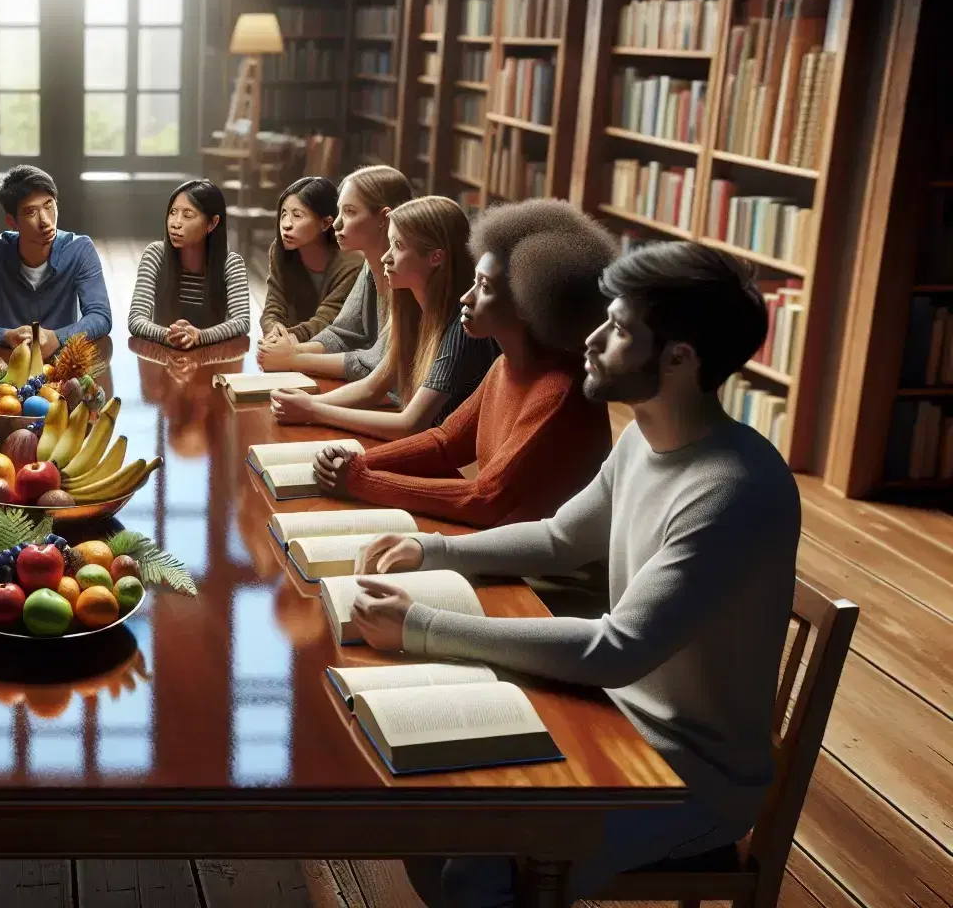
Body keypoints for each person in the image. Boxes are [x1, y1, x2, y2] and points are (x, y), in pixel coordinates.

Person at [345, 242, 799, 906]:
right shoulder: (647, 438)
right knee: (425, 803)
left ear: (679, 359)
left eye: (617, 329)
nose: (590, 339)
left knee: (474, 868)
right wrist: (435, 553)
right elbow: (561, 539)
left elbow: (616, 651)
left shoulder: (731, 488)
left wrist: (421, 626)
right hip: (612, 715)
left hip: (690, 776)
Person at [311, 198, 616, 528]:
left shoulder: (558, 391)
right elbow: (446, 443)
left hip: (540, 576)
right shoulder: (505, 367)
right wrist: (357, 461)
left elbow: (483, 500)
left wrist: (361, 481)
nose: (466, 298)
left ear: (529, 304)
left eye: (484, 287)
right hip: (500, 546)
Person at [272, 195, 496, 440]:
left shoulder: (461, 327)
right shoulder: (411, 309)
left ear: (436, 257)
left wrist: (314, 410)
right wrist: (308, 402)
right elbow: (371, 388)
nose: (385, 257)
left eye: (398, 246)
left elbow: (410, 425)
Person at [256, 165, 414, 379]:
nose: (337, 223)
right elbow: (341, 333)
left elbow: (379, 363)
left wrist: (294, 358)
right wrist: (287, 349)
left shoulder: (406, 274)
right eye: (339, 211)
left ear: (384, 219)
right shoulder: (370, 266)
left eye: (349, 212)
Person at [0, 164, 112, 358]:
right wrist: (5, 336)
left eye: (49, 205)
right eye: (31, 212)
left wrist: (57, 338)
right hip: (9, 363)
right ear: (12, 222)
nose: (45, 220)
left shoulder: (80, 249)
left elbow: (100, 316)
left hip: (64, 363)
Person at [126, 179, 251, 348]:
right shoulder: (155, 255)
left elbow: (241, 322)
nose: (175, 223)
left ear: (212, 223)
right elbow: (136, 319)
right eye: (172, 212)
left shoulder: (231, 264)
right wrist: (169, 335)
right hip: (163, 357)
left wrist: (200, 336)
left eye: (187, 215)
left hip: (212, 359)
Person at [259, 176, 363, 342]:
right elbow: (274, 304)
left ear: (325, 223)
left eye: (297, 216)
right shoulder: (280, 250)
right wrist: (273, 328)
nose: (286, 224)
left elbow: (329, 318)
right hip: (292, 351)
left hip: (334, 353)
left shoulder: (352, 263)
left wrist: (291, 337)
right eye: (283, 214)